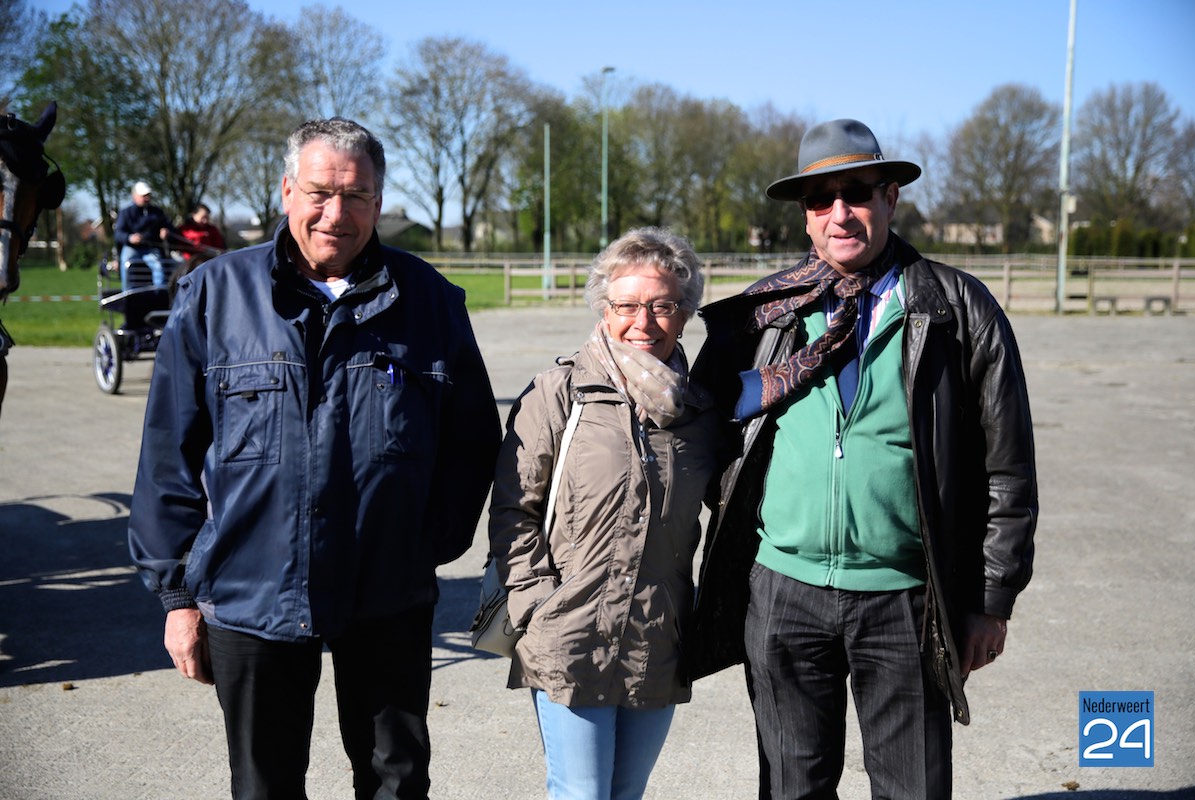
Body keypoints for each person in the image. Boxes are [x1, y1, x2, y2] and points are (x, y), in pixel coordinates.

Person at [128, 117, 501, 800]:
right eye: (320, 193)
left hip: (387, 591)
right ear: (286, 192)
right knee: (264, 786)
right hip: (250, 591)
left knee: (395, 781)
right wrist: (177, 595)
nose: (337, 214)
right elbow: (166, 456)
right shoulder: (214, 295)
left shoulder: (430, 302)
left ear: (378, 202)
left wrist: (428, 544)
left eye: (356, 196)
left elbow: (472, 440)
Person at [688, 119, 1038, 799]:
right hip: (782, 592)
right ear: (805, 215)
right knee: (792, 787)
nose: (840, 213)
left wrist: (992, 600)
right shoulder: (761, 316)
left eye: (857, 194)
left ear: (890, 198)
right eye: (822, 199)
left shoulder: (958, 309)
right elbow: (701, 434)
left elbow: (1009, 469)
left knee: (913, 788)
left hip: (906, 596)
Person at [489, 227, 717, 800]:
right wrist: (536, 605)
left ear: (685, 313)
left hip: (655, 641)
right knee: (582, 794)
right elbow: (515, 509)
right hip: (568, 633)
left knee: (626, 794)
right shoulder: (558, 392)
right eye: (627, 305)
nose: (644, 322)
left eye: (662, 306)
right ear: (604, 308)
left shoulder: (700, 413)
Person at [113, 180, 175, 289]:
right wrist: (130, 238)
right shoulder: (125, 213)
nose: (147, 198)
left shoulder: (157, 212)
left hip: (150, 248)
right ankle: (127, 292)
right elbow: (118, 234)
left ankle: (159, 293)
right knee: (126, 263)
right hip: (131, 248)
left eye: (148, 195)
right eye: (143, 196)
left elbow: (170, 227)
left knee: (158, 266)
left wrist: (166, 231)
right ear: (134, 196)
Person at [169, 202, 227, 300]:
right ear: (194, 215)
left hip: (208, 261)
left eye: (207, 218)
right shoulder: (184, 229)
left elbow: (219, 247)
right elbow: (177, 246)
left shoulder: (212, 230)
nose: (205, 221)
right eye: (203, 217)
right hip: (188, 263)